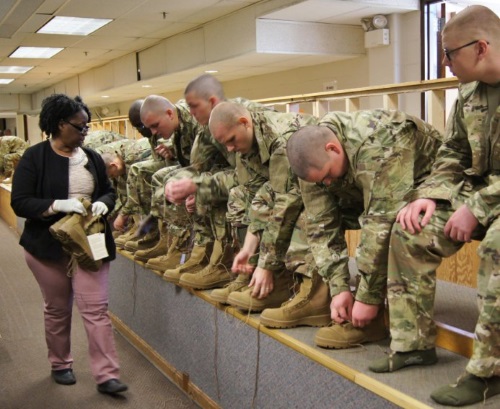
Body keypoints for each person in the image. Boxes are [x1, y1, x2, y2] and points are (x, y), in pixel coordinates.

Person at [368, 6, 500, 407]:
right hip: (479, 194)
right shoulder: (469, 94)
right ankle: (413, 343)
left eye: (449, 53)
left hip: (488, 202)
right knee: (410, 228)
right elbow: (453, 152)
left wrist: (476, 207)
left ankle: (488, 371)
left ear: (480, 48)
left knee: (497, 245)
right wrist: (431, 196)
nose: (444, 64)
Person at [286, 109, 443, 348]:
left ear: (333, 149)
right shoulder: (311, 159)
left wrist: (367, 296)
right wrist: (338, 288)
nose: (326, 183)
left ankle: (373, 318)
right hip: (369, 190)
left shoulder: (378, 141)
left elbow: (381, 219)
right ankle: (320, 298)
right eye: (320, 181)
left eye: (327, 176)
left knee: (400, 223)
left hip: (429, 188)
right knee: (306, 219)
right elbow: (321, 222)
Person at [10, 94, 128, 395]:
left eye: (87, 127)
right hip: (47, 248)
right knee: (58, 308)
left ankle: (106, 375)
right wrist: (57, 205)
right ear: (59, 125)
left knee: (96, 309)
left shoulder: (91, 157)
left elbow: (108, 191)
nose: (85, 132)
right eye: (80, 127)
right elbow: (20, 202)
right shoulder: (34, 158)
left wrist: (103, 203)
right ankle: (60, 363)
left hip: (90, 245)